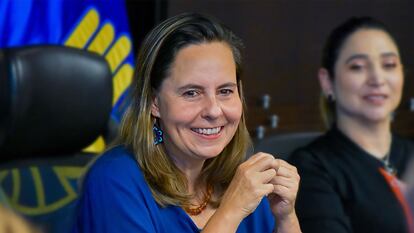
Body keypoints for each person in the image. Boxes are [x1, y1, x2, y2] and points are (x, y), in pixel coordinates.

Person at [72, 12, 301, 233]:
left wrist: (285, 217)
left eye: (225, 91)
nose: (213, 110)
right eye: (191, 93)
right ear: (155, 103)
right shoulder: (115, 179)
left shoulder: (242, 179)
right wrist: (232, 210)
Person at [289, 16, 414, 233]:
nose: (377, 78)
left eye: (389, 65)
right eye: (357, 67)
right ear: (327, 81)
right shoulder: (311, 168)